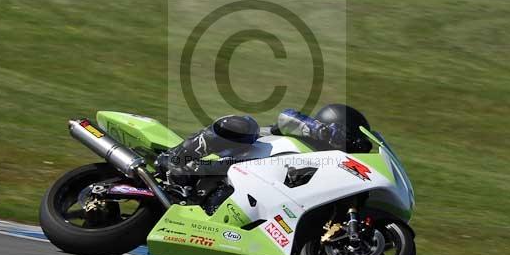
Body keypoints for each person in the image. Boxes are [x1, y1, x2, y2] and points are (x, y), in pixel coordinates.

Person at [156, 104, 373, 194]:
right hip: (229, 161)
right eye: (352, 138)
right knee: (245, 125)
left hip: (237, 183)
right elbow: (286, 117)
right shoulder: (304, 132)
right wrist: (326, 133)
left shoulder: (324, 161)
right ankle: (177, 158)